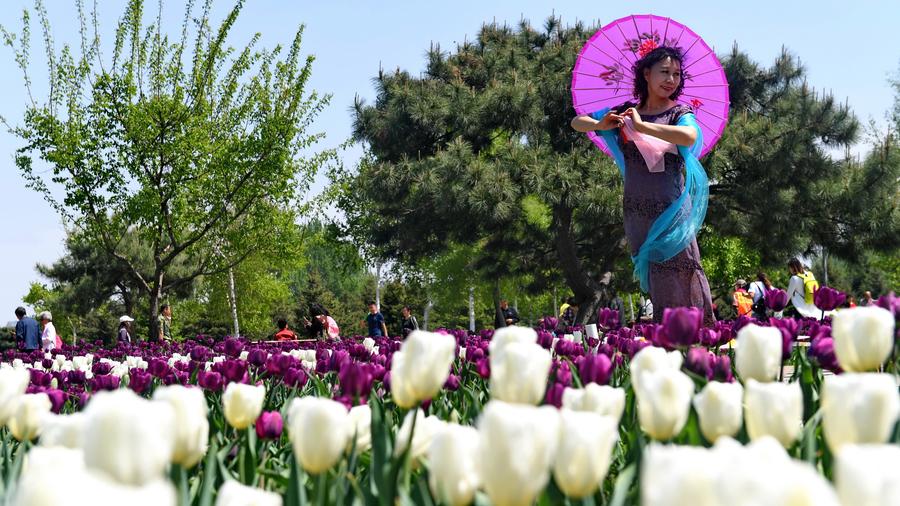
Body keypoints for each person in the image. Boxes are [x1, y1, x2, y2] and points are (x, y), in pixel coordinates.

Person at [571, 46, 715, 324]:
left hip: (671, 207)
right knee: (656, 273)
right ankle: (668, 335)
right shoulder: (625, 111)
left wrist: (643, 127)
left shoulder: (678, 113)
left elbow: (689, 136)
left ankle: (695, 335)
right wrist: (600, 124)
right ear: (646, 74)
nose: (671, 79)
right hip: (636, 208)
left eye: (676, 74)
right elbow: (577, 122)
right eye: (664, 72)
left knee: (683, 266)